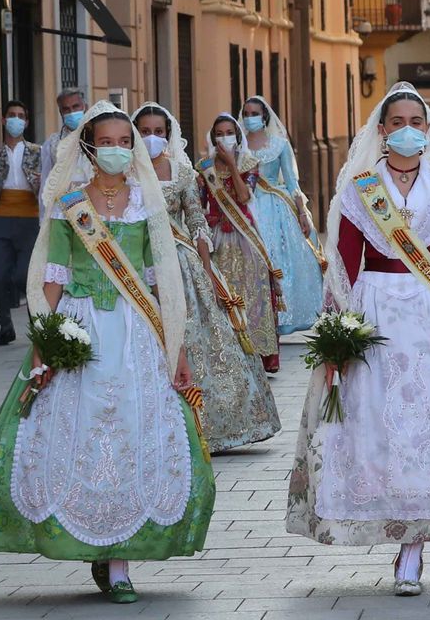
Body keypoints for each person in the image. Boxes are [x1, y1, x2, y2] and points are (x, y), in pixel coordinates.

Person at [0, 103, 215, 603]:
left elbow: (161, 279)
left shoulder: (146, 203)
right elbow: (53, 278)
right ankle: (87, 539)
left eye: (125, 141)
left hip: (136, 331)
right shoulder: (70, 205)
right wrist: (42, 343)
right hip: (80, 330)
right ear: (88, 148)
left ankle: (120, 561)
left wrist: (175, 347)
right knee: (76, 433)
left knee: (135, 430)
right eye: (107, 142)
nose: (117, 150)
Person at [287, 83, 430, 595]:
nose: (409, 130)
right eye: (398, 121)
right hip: (374, 316)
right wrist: (336, 339)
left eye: (418, 120)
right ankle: (386, 516)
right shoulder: (360, 187)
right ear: (382, 129)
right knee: (376, 423)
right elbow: (345, 265)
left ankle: (412, 548)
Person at [138, 103, 281, 452]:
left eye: (159, 132)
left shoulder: (182, 171)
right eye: (145, 131)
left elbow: (196, 218)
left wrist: (205, 265)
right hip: (139, 266)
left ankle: (213, 424)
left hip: (183, 263)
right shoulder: (127, 174)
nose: (152, 138)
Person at [200, 114, 285, 374]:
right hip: (217, 240)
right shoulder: (204, 167)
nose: (224, 137)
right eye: (219, 132)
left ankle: (257, 353)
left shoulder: (249, 163)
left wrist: (231, 165)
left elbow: (244, 195)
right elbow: (201, 203)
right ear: (213, 137)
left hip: (245, 237)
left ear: (237, 137)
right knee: (224, 297)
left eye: (229, 132)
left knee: (252, 296)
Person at [239, 94, 327, 335]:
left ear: (264, 116)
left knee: (282, 259)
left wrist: (302, 212)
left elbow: (291, 181)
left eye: (254, 114)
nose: (249, 118)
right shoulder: (238, 145)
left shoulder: (279, 144)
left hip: (276, 208)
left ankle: (283, 313)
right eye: (246, 114)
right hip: (247, 206)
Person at [0, 100, 46, 345]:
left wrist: (39, 183)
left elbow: (52, 187)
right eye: (11, 115)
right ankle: (5, 324)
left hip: (29, 220)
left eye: (20, 116)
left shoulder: (39, 153)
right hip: (1, 219)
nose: (16, 119)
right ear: (3, 120)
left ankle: (37, 325)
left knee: (25, 275)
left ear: (26, 121)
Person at [39, 88, 91, 208]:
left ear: (85, 107)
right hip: (63, 209)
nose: (71, 112)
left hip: (96, 206)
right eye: (66, 109)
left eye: (75, 106)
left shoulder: (98, 139)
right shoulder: (52, 144)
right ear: (60, 112)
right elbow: (46, 184)